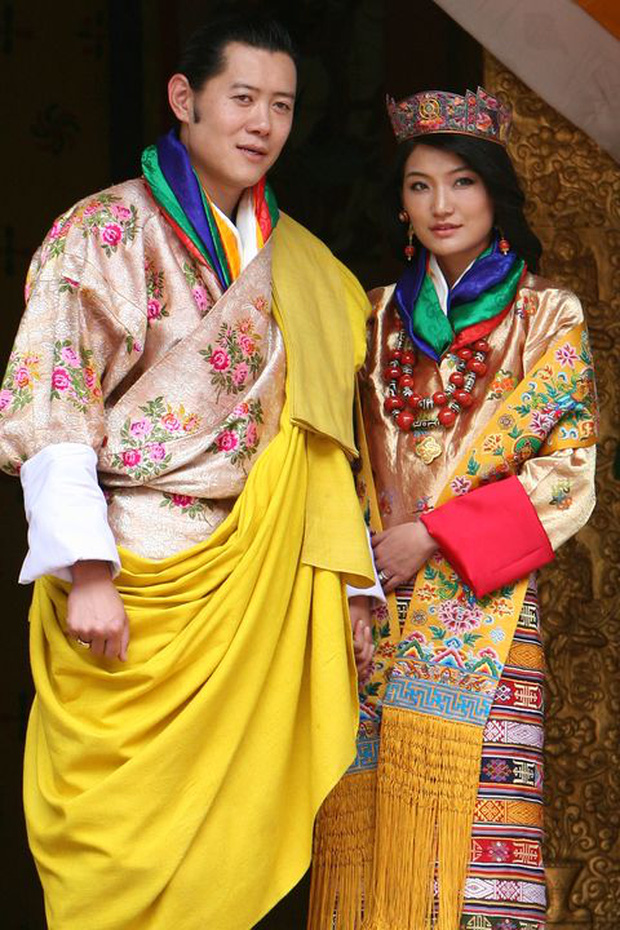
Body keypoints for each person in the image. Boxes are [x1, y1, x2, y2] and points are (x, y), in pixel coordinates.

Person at [0, 15, 378, 930]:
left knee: (241, 846)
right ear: (185, 98)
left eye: (281, 105)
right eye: (242, 98)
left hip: (262, 583)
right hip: (136, 573)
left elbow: (325, 443)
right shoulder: (103, 230)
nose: (262, 123)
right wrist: (89, 569)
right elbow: (52, 400)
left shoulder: (307, 267)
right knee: (119, 847)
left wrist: (353, 583)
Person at [308, 88, 598, 930]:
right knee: (368, 850)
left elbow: (567, 472)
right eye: (420, 185)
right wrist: (353, 566)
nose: (441, 204)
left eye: (462, 182)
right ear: (400, 203)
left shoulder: (548, 316)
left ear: (494, 194)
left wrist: (433, 535)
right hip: (370, 608)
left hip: (486, 609)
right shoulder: (370, 320)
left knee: (476, 853)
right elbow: (329, 459)